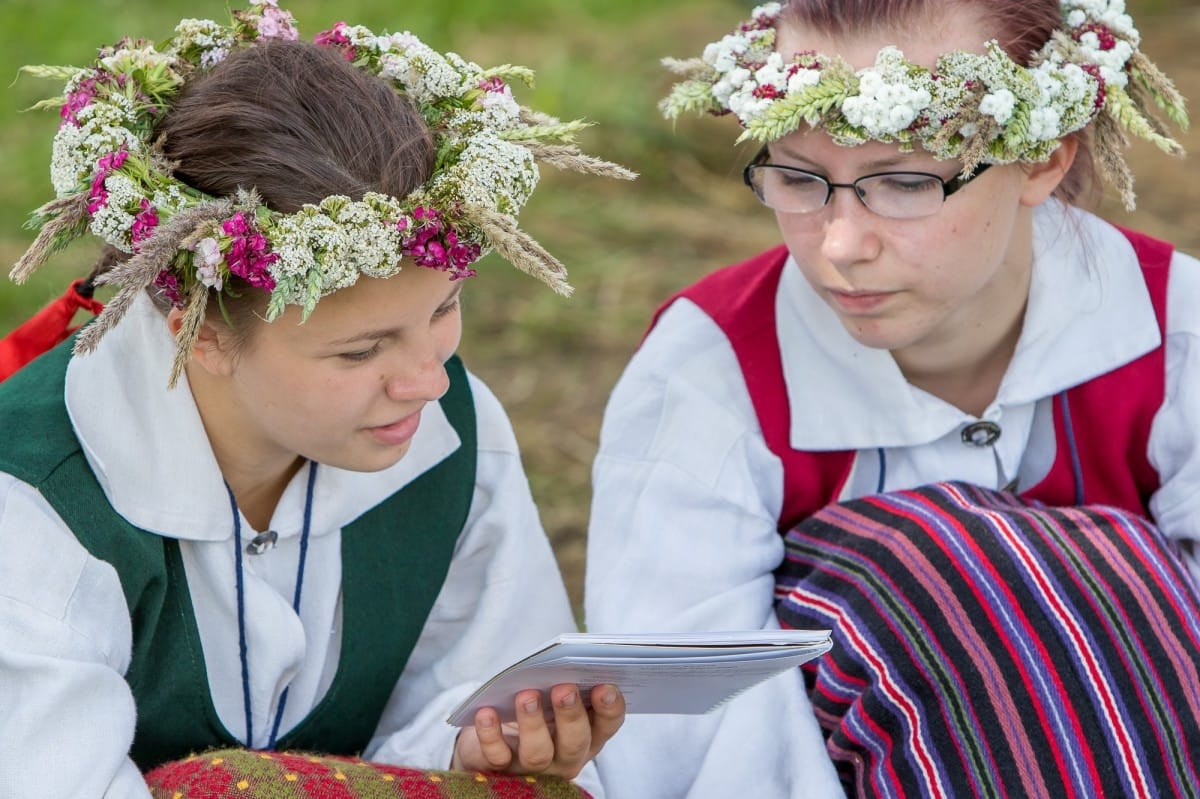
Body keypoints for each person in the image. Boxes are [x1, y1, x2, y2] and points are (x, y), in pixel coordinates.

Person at [0, 2, 635, 797]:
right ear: (201, 332)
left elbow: (462, 692)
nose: (427, 381)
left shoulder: (446, 428)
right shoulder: (33, 506)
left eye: (442, 310)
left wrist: (475, 765)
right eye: (361, 350)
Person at [585, 0, 1200, 796]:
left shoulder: (1176, 329)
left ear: (1045, 158)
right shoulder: (708, 374)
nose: (840, 245)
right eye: (799, 177)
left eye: (908, 181)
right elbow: (686, 734)